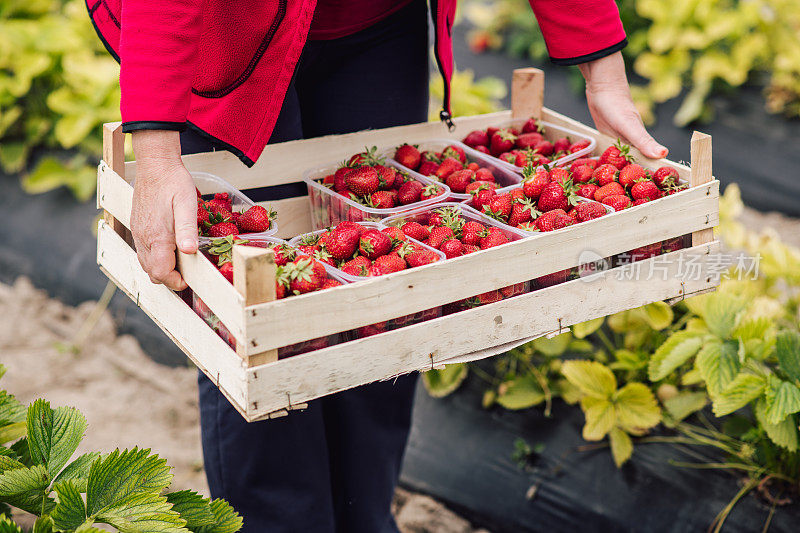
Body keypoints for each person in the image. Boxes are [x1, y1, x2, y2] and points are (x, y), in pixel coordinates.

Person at [88, 1, 668, 531]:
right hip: (228, 29)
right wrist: (158, 153)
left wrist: (605, 73)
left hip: (373, 20)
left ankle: (365, 517)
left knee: (388, 305)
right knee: (257, 319)